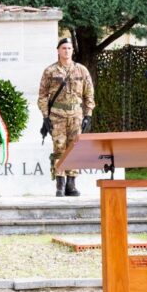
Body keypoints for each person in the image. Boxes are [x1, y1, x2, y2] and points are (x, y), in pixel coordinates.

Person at [37, 37, 95, 196]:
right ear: (58, 51)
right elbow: (42, 96)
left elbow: (89, 94)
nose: (66, 51)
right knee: (59, 148)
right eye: (63, 48)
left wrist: (88, 115)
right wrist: (45, 116)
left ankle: (71, 183)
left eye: (69, 48)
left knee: (74, 149)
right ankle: (60, 184)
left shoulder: (81, 70)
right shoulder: (50, 71)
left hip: (76, 115)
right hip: (57, 115)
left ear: (72, 50)